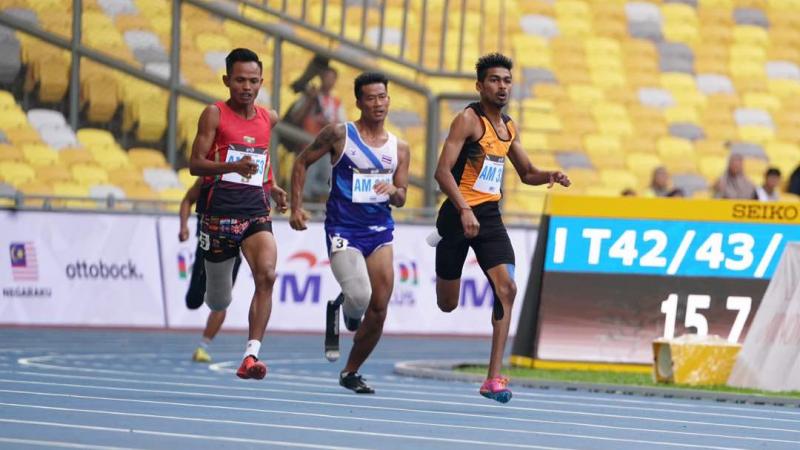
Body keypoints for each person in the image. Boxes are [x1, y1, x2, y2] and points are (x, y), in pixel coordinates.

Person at [431, 53, 570, 404]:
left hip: (488, 215)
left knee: (506, 288)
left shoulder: (509, 127)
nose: (502, 86)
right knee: (447, 303)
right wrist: (463, 209)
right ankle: (441, 243)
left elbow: (526, 172)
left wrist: (549, 175)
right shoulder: (467, 121)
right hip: (456, 215)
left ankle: (493, 378)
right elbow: (442, 172)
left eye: (506, 80)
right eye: (494, 80)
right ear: (480, 86)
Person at [289, 71, 410, 394]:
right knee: (360, 297)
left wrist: (393, 190)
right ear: (358, 102)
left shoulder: (399, 148)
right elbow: (301, 163)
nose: (377, 103)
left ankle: (351, 372)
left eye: (382, 97)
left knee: (379, 309)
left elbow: (402, 197)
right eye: (370, 98)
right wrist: (296, 208)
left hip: (379, 230)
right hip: (343, 229)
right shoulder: (339, 135)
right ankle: (343, 306)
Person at [189, 48, 288, 380]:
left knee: (268, 274)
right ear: (227, 80)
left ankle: (250, 356)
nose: (247, 87)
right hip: (217, 216)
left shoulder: (268, 118)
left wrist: (271, 186)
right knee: (218, 299)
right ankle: (201, 277)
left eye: (254, 81)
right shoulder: (213, 115)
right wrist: (232, 165)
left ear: (262, 82)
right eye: (240, 80)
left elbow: (261, 156)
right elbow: (195, 165)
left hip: (254, 212)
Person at [178, 178, 242, 363]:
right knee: (193, 301)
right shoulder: (208, 179)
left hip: (232, 251)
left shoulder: (244, 186)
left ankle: (202, 347)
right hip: (205, 249)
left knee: (221, 302)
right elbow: (186, 201)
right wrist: (183, 227)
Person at [287, 66, 347, 203]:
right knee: (303, 190)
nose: (328, 81)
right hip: (307, 148)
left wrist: (330, 125)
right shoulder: (309, 96)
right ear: (320, 78)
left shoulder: (337, 102)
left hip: (328, 152)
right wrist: (310, 100)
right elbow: (295, 118)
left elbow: (343, 128)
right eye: (326, 77)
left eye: (332, 78)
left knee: (325, 191)